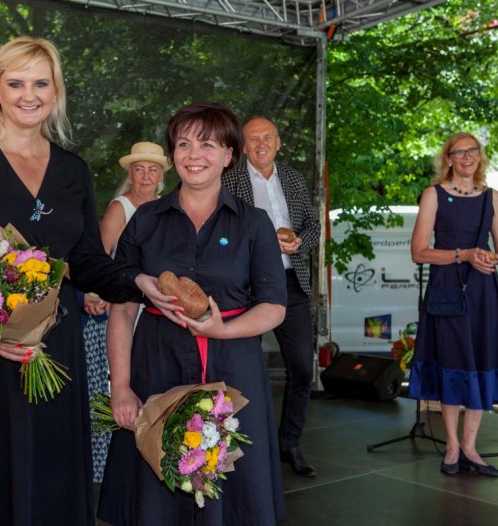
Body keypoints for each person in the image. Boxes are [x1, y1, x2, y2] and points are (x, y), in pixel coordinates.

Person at [0, 36, 170, 526]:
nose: (30, 94)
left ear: (56, 92)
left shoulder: (72, 169)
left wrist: (138, 283)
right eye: (17, 82)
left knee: (48, 472)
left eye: (41, 83)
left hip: (53, 349)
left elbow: (87, 258)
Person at [97, 102, 287, 525]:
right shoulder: (145, 219)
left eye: (207, 143)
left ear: (228, 155)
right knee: (156, 498)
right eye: (183, 144)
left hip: (232, 369)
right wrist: (122, 387)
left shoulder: (254, 224)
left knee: (233, 498)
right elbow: (123, 312)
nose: (193, 153)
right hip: (156, 366)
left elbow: (274, 307)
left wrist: (222, 331)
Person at [407, 132, 498, 477]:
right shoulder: (434, 194)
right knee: (452, 362)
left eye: (472, 151)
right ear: (448, 159)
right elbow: (418, 252)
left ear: (480, 156)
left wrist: (492, 257)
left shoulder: (493, 197)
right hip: (446, 287)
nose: (467, 157)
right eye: (459, 152)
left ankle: (471, 447)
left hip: (483, 290)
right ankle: (452, 447)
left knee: (480, 363)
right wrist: (463, 254)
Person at [222, 116, 321, 477]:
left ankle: (289, 443)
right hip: (246, 288)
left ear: (278, 143)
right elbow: (223, 232)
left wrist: (299, 241)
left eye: (267, 137)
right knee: (239, 369)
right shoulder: (229, 181)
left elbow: (313, 226)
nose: (260, 144)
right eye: (253, 139)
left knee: (300, 368)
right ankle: (236, 444)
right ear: (243, 147)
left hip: (291, 285)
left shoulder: (292, 179)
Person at [83, 142, 169, 483]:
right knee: (116, 383)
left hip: (155, 308)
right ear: (129, 173)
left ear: (162, 175)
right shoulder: (121, 207)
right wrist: (93, 291)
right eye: (139, 168)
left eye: (153, 169)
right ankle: (107, 464)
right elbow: (100, 256)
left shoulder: (167, 207)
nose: (146, 175)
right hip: (123, 305)